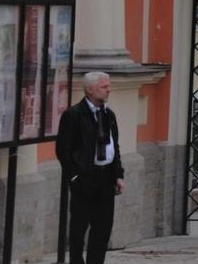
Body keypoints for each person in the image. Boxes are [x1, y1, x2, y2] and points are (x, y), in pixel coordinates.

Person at [55, 71, 125, 264]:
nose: (109, 89)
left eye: (108, 85)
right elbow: (63, 150)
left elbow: (114, 146)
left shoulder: (108, 115)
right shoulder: (74, 115)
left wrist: (118, 174)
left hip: (105, 179)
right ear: (90, 89)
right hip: (84, 178)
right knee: (79, 229)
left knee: (103, 229)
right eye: (104, 86)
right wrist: (75, 176)